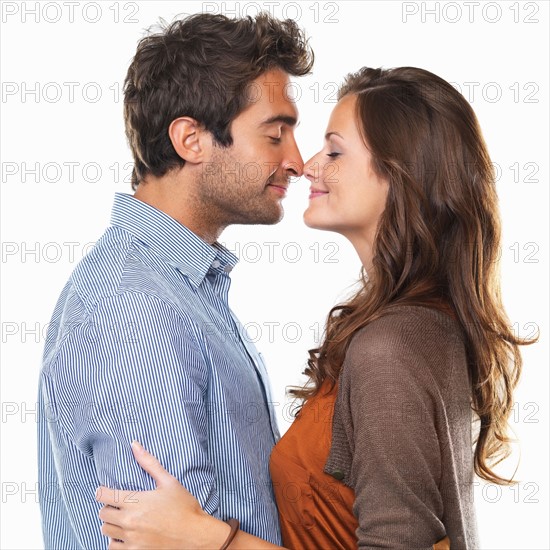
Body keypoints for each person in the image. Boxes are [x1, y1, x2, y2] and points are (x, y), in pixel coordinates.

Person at [96, 66, 534, 549]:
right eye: (277, 134)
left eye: (335, 151)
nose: (307, 164)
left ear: (402, 171)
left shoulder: (392, 347)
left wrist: (211, 540)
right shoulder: (420, 324)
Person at [37, 13, 313, 549]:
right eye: (275, 135)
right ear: (191, 139)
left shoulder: (180, 288)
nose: (297, 162)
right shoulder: (134, 305)